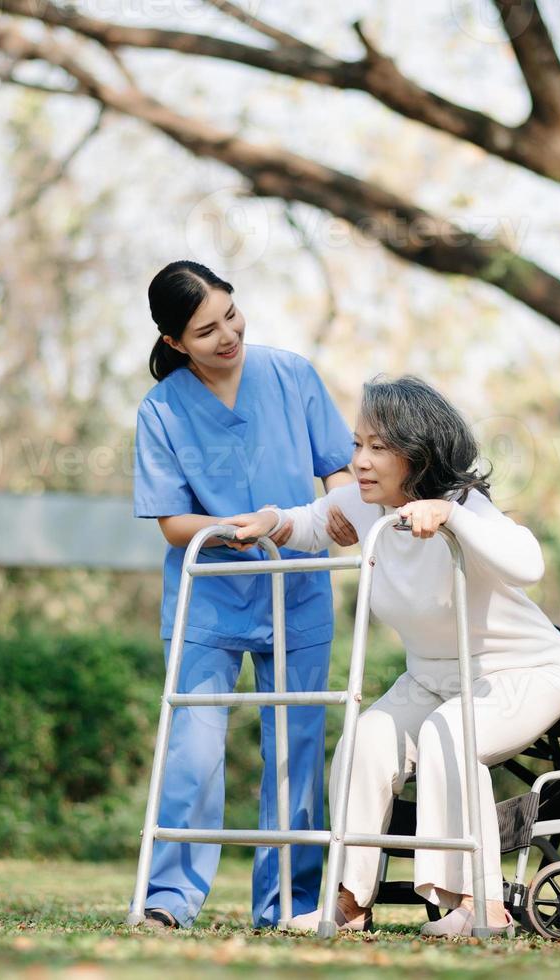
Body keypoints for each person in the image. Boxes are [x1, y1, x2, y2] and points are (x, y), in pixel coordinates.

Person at [222, 375, 560, 937]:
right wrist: (270, 521)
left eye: (377, 448)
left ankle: (480, 903)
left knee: (448, 735)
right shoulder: (365, 507)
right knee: (364, 739)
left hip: (521, 674)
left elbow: (528, 563)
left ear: (417, 455)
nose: (359, 461)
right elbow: (307, 521)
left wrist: (454, 517)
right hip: (433, 677)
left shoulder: (466, 505)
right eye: (358, 444)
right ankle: (350, 901)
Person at [130, 260, 356, 930]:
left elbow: (339, 470)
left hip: (299, 593)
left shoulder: (290, 375)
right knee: (194, 757)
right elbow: (173, 525)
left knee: (296, 750)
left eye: (231, 315)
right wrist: (241, 529)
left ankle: (289, 902)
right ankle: (170, 899)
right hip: (211, 602)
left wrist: (338, 512)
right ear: (176, 343)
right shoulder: (162, 410)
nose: (228, 335)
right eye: (206, 330)